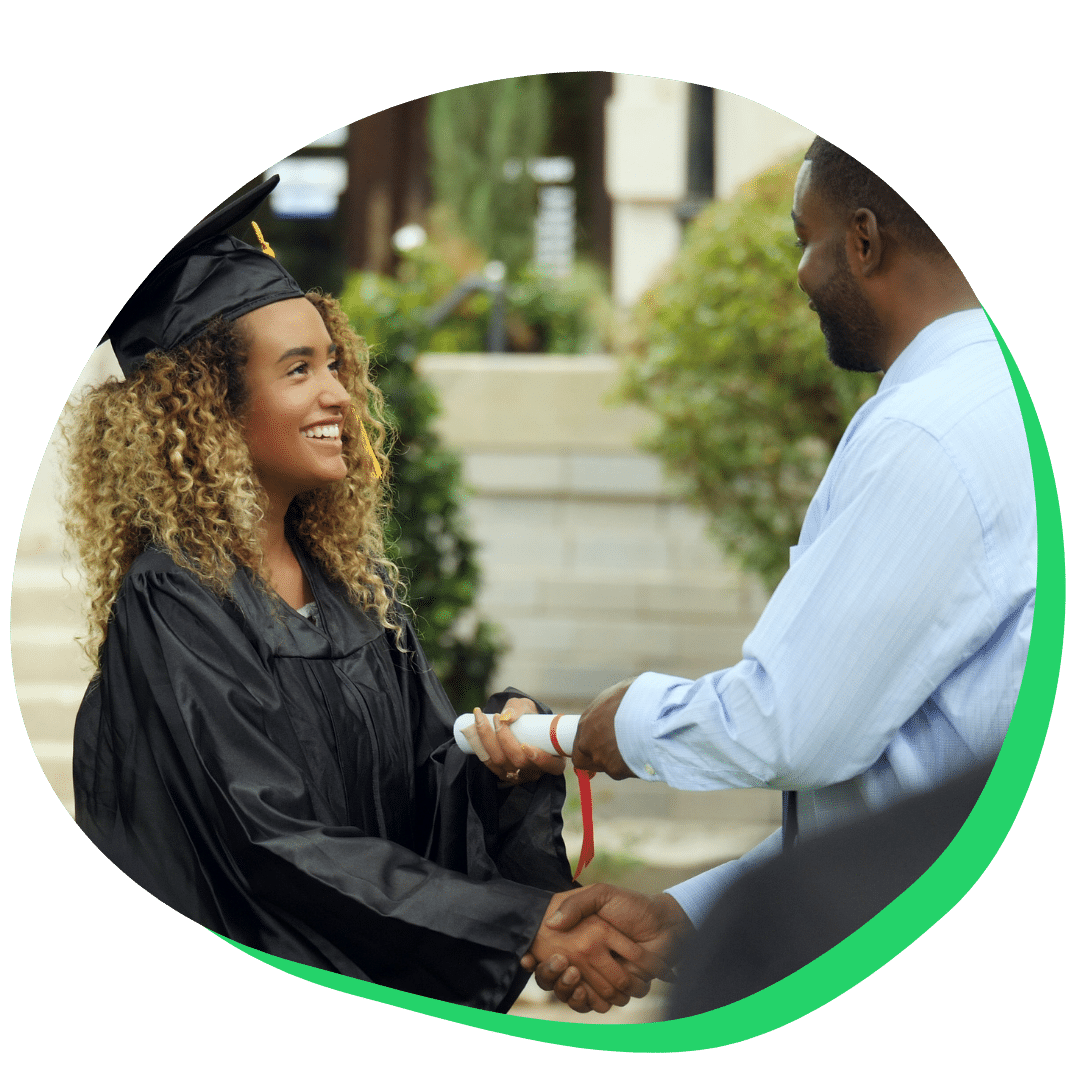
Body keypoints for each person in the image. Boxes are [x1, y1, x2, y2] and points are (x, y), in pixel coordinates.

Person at [67, 177, 669, 1013]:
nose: (339, 394)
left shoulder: (353, 590)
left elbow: (426, 797)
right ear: (211, 410)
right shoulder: (173, 603)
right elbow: (269, 843)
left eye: (336, 362)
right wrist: (524, 924)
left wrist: (502, 761)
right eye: (299, 369)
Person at [523, 137, 1036, 1009]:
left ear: (865, 241)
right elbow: (906, 782)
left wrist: (613, 726)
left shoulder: (933, 431)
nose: (801, 274)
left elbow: (796, 727)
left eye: (808, 239)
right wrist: (690, 912)